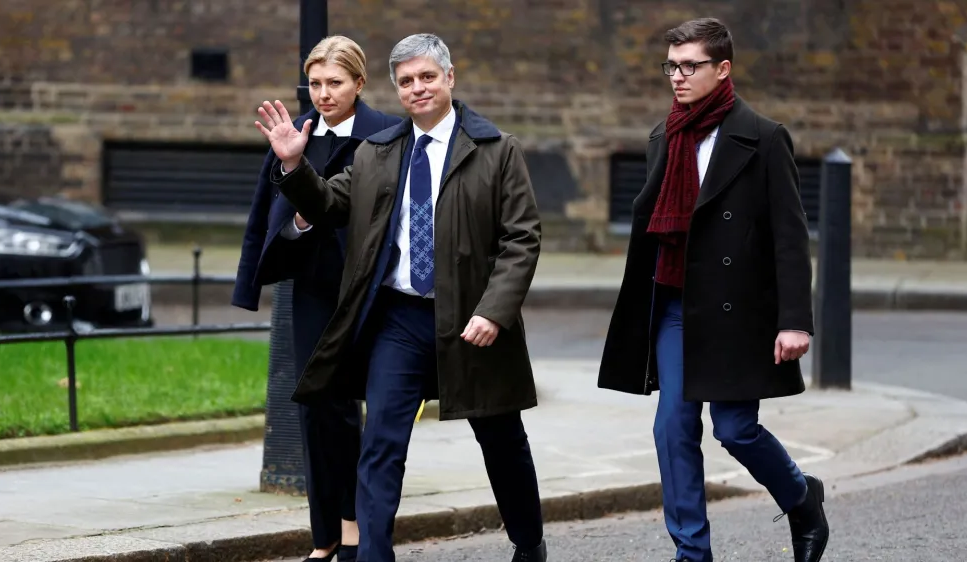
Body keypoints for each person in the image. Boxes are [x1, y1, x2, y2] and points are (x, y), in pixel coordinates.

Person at [253, 33, 548, 562]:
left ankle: (529, 542)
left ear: (450, 79)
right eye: (407, 81)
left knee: (501, 441)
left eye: (427, 77)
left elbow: (521, 238)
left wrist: (494, 311)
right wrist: (295, 168)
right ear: (397, 88)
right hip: (400, 320)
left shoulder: (497, 150)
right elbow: (328, 204)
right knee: (381, 445)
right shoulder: (378, 152)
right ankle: (372, 555)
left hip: (472, 321)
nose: (418, 88)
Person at [597, 17, 830, 562]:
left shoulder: (765, 139)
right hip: (677, 306)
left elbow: (790, 238)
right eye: (671, 66)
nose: (677, 77)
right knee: (672, 426)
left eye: (690, 66)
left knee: (735, 429)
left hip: (738, 312)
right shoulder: (664, 137)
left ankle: (801, 497)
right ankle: (691, 553)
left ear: (723, 69)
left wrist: (795, 319)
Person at [232, 35, 401, 562]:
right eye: (316, 84)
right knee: (318, 413)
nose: (324, 94)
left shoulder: (388, 136)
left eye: (335, 83)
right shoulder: (294, 135)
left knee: (367, 417)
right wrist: (298, 217)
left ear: (359, 83)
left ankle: (359, 531)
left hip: (372, 292)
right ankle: (326, 535)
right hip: (312, 291)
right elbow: (267, 218)